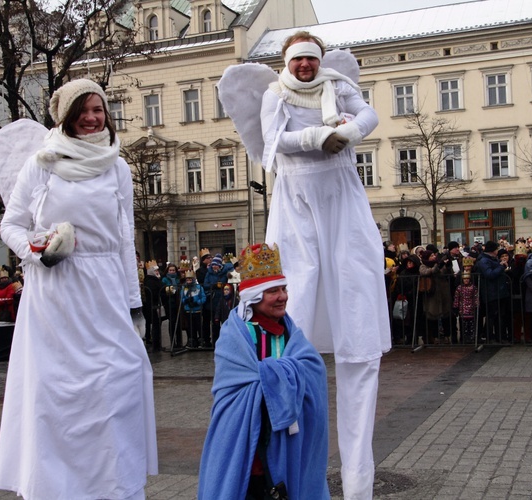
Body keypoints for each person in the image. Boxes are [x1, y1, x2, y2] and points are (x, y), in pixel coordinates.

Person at [0, 78, 158, 499]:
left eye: (97, 109)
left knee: (118, 383)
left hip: (103, 291)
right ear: (66, 117)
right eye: (82, 110)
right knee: (58, 397)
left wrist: (134, 304)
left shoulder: (117, 166)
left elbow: (124, 238)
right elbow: (10, 225)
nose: (91, 117)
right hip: (56, 292)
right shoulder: (42, 163)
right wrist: (37, 251)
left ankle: (114, 487)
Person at [260, 31, 390, 498]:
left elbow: (370, 113)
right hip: (296, 204)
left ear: (319, 61)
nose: (305, 67)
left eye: (311, 59)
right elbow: (273, 142)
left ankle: (359, 485)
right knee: (294, 308)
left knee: (356, 318)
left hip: (341, 197)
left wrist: (349, 132)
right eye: (297, 60)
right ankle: (292, 476)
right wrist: (321, 135)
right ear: (287, 63)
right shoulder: (274, 94)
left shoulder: (338, 83)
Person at [198, 243, 329, 499]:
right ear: (254, 296)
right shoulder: (234, 336)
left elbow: (314, 371)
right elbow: (232, 394)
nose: (283, 296)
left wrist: (275, 374)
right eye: (273, 291)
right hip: (249, 451)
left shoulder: (293, 334)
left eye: (284, 289)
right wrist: (280, 377)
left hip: (290, 445)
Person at [180, 270, 206, 348]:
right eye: (187, 280)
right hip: (188, 310)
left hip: (197, 310)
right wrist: (186, 301)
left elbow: (203, 297)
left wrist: (197, 302)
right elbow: (182, 298)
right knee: (191, 327)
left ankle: (201, 341)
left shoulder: (198, 287)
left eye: (190, 279)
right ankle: (192, 341)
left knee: (199, 326)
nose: (189, 281)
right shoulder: (184, 288)